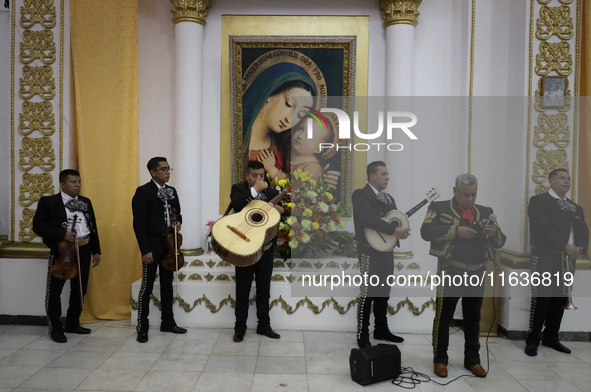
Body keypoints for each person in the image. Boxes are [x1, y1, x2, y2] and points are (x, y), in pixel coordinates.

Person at [420, 173, 506, 378]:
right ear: (454, 191)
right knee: (444, 316)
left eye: (473, 195)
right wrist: (455, 231)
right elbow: (426, 231)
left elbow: (501, 241)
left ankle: (472, 360)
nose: (470, 199)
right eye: (465, 195)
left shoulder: (486, 212)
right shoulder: (438, 208)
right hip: (451, 269)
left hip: (477, 270)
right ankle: (440, 359)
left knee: (473, 317)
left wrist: (494, 233)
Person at [524, 169, 588, 356]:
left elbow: (584, 231)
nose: (567, 181)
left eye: (569, 178)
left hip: (568, 260)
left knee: (561, 299)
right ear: (551, 181)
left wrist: (580, 249)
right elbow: (542, 227)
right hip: (545, 256)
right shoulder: (539, 202)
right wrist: (565, 246)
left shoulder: (575, 208)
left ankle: (551, 337)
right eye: (562, 178)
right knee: (542, 300)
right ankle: (532, 340)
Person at [33, 169, 101, 343]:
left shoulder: (86, 201)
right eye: (73, 182)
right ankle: (55, 328)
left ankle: (72, 322)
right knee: (55, 291)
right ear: (62, 184)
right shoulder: (49, 202)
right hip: (63, 250)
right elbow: (38, 226)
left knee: (79, 289)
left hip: (84, 248)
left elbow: (92, 227)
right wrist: (62, 233)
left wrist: (96, 250)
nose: (78, 185)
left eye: (79, 182)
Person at [352, 161, 411, 349]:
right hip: (368, 250)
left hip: (386, 250)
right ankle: (362, 333)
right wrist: (395, 230)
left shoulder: (388, 198)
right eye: (384, 174)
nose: (388, 177)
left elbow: (393, 220)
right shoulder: (361, 195)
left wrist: (400, 231)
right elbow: (367, 219)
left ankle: (381, 329)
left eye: (388, 174)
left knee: (383, 292)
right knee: (368, 293)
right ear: (372, 177)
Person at [229, 160, 285, 342]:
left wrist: (278, 208)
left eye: (262, 175)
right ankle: (240, 328)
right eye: (255, 175)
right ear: (247, 176)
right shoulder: (238, 189)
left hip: (266, 249)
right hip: (244, 250)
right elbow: (237, 205)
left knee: (264, 290)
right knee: (242, 289)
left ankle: (264, 325)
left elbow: (281, 211)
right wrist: (254, 190)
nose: (259, 179)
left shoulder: (272, 192)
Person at [132, 157, 187, 343]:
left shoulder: (172, 191)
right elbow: (138, 224)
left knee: (167, 284)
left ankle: (168, 322)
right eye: (163, 169)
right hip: (152, 245)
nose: (168, 172)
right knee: (146, 286)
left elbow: (178, 212)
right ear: (153, 172)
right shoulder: (143, 192)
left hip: (169, 244)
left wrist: (178, 222)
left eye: (168, 168)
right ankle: (142, 327)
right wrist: (145, 249)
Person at [242, 63, 316, 182]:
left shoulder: (281, 152)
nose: (290, 120)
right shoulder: (234, 140)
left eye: (300, 115)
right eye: (289, 105)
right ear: (268, 95)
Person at [289, 115, 336, 181]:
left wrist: (274, 171)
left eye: (309, 136)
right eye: (300, 129)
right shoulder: (288, 154)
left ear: (318, 149)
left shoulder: (313, 169)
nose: (300, 136)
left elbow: (294, 188)